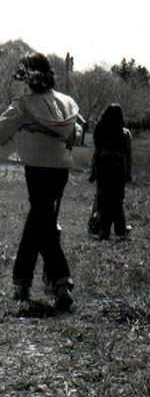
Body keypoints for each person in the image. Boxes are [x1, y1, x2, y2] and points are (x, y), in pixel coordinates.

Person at [0, 53, 84, 310]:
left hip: (37, 166)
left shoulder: (24, 104)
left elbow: (2, 130)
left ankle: (60, 280)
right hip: (61, 167)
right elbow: (77, 133)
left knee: (41, 220)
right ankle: (23, 280)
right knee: (41, 219)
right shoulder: (67, 103)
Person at [89, 103, 133, 239]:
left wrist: (92, 171)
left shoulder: (100, 130)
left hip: (103, 163)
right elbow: (128, 155)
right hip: (118, 165)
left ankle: (103, 230)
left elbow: (96, 152)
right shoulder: (125, 133)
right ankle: (120, 230)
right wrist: (128, 173)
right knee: (117, 198)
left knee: (103, 197)